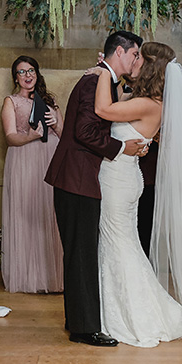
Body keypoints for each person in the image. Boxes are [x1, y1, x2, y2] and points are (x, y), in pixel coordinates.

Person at [88, 42, 182, 347]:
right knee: (121, 244)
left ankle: (133, 315)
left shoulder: (150, 104)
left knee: (119, 245)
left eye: (139, 58)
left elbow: (102, 110)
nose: (133, 62)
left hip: (119, 182)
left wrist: (104, 71)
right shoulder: (146, 100)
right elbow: (119, 109)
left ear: (149, 67)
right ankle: (118, 309)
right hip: (122, 178)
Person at [44, 31, 146, 347]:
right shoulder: (94, 82)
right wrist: (122, 148)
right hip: (76, 178)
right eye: (135, 54)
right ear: (120, 51)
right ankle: (84, 329)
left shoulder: (102, 80)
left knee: (81, 252)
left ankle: (78, 319)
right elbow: (85, 131)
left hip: (79, 178)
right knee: (81, 253)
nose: (136, 60)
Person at [0, 56, 64, 293]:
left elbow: (64, 132)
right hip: (24, 160)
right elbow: (10, 136)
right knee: (27, 214)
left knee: (50, 214)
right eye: (21, 72)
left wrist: (56, 122)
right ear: (15, 77)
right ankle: (30, 278)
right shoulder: (11, 101)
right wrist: (32, 136)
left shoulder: (49, 99)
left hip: (50, 160)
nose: (27, 75)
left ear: (37, 73)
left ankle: (53, 278)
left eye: (31, 71)